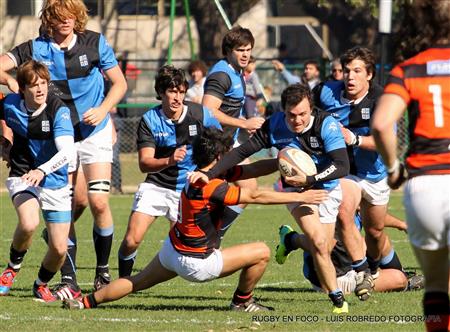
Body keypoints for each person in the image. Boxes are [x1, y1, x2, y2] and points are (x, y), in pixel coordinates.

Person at [62, 126, 329, 311]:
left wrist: (282, 160)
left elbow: (250, 169)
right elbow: (256, 196)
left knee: (137, 282)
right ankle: (242, 302)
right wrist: (304, 197)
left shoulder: (202, 173)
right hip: (197, 263)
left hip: (172, 251)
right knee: (261, 251)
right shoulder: (209, 185)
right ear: (218, 156)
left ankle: (84, 302)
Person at [0, 0, 127, 296]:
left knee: (97, 202)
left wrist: (104, 109)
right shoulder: (35, 48)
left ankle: (102, 273)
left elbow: (119, 84)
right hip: (58, 138)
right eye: (59, 16)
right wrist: (11, 80)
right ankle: (67, 277)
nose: (66, 20)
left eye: (71, 15)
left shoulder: (95, 42)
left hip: (93, 130)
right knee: (73, 203)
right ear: (49, 19)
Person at [190, 83, 351, 313]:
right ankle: (338, 302)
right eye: (292, 115)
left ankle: (291, 240)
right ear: (283, 110)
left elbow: (342, 165)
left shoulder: (327, 125)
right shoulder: (275, 124)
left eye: (303, 114)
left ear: (312, 109)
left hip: (327, 188)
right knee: (320, 243)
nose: (297, 120)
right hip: (295, 191)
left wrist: (311, 178)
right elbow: (242, 151)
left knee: (324, 246)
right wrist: (210, 173)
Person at [372, 1, 450, 330]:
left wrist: (393, 168)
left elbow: (381, 125)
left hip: (425, 186)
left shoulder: (408, 69)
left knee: (435, 284)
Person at [117, 65, 221, 277]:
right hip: (156, 185)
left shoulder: (199, 113)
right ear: (161, 92)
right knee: (131, 240)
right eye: (172, 91)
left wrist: (208, 170)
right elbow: (144, 163)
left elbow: (220, 143)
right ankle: (124, 281)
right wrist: (169, 160)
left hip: (186, 191)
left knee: (186, 252)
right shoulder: (150, 120)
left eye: (181, 92)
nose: (178, 97)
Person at [316, 46, 400, 301]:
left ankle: (373, 267)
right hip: (344, 172)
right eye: (346, 71)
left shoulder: (381, 100)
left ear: (370, 74)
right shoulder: (324, 92)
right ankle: (361, 271)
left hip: (373, 174)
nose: (350, 77)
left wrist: (353, 138)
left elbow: (386, 142)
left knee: (374, 232)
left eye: (357, 71)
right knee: (344, 212)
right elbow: (304, 113)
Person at [0, 60, 75, 302]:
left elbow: (67, 152)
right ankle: (12, 268)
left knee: (60, 249)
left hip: (54, 180)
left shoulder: (58, 110)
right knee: (29, 222)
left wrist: (42, 171)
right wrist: (3, 142)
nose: (41, 89)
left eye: (43, 83)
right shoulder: (10, 104)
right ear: (22, 89)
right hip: (23, 175)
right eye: (34, 85)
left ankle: (41, 284)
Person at [202, 26, 264, 239]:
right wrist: (243, 124)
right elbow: (208, 111)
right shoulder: (222, 74)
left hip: (230, 142)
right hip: (213, 144)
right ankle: (205, 235)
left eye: (248, 49)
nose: (246, 54)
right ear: (228, 51)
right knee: (204, 195)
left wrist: (243, 123)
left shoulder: (238, 73)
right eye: (240, 50)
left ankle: (215, 233)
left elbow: (228, 108)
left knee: (249, 190)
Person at [278, 212, 423, 295]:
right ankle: (406, 283)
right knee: (398, 279)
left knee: (379, 238)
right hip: (334, 278)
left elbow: (374, 216)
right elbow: (322, 245)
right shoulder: (334, 211)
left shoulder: (350, 199)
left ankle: (290, 239)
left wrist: (402, 225)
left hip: (348, 263)